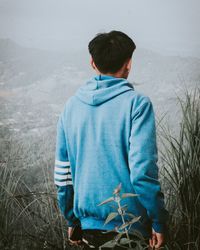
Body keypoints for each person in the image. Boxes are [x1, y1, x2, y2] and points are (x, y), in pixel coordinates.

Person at [54, 30, 169, 249]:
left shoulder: (70, 107)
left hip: (87, 229)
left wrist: (71, 219)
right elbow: (143, 173)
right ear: (129, 64)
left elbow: (63, 176)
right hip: (130, 228)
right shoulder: (137, 105)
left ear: (92, 63)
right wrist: (158, 221)